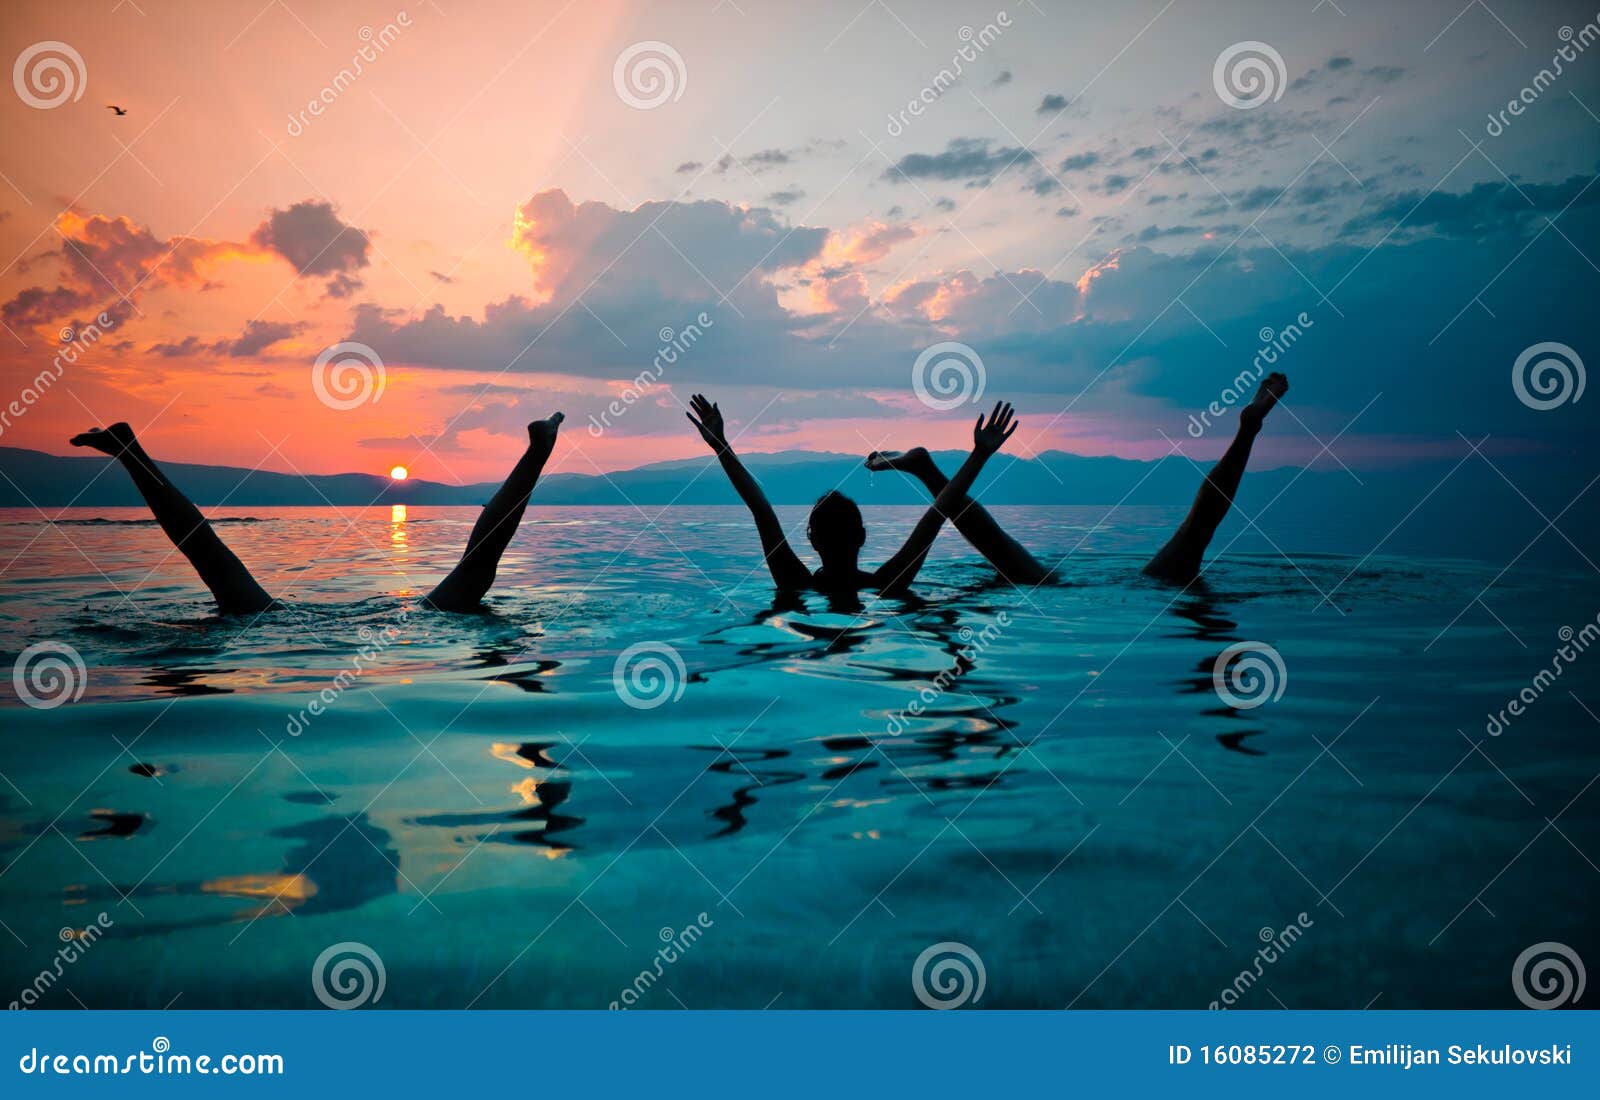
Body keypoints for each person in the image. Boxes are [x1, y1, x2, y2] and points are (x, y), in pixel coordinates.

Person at [68, 413, 566, 614]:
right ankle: (129, 452)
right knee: (477, 564)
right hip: (417, 622)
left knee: (213, 560)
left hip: (283, 626)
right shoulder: (437, 618)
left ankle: (130, 452)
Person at [866, 373, 1290, 587]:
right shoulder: (880, 578)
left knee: (1196, 532)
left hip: (1071, 591)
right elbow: (935, 518)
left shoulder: (865, 584)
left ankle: (1247, 429)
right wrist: (977, 454)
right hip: (1094, 587)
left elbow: (935, 520)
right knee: (1197, 530)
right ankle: (1247, 429)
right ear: (861, 534)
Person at [686, 393, 1019, 598]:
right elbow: (938, 512)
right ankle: (923, 467)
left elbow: (760, 508)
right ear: (862, 536)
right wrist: (980, 455)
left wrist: (721, 446)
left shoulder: (796, 583)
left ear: (811, 539)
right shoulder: (887, 583)